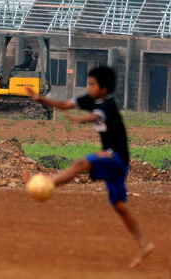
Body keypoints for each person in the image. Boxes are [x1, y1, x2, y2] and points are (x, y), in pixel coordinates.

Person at [26, 66, 154, 269]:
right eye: (89, 83)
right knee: (119, 205)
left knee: (81, 163)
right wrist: (40, 98)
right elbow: (64, 104)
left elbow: (95, 116)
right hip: (115, 163)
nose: (89, 87)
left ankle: (48, 184)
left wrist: (79, 119)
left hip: (117, 157)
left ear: (104, 88)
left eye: (92, 84)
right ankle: (143, 244)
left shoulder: (109, 105)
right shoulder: (90, 99)